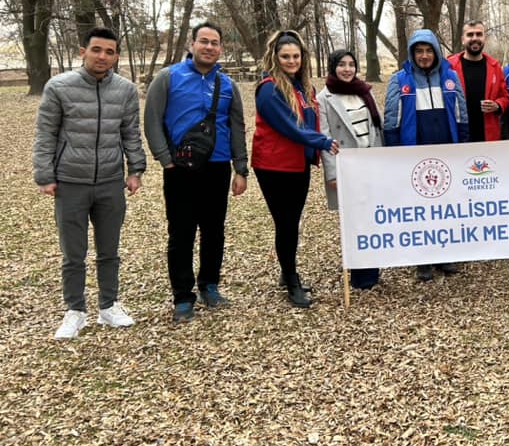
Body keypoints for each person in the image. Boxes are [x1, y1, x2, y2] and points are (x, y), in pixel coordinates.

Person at [33, 27, 146, 340]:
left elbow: (130, 133)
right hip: (71, 182)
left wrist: (135, 169)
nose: (102, 57)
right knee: (73, 253)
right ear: (83, 50)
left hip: (110, 181)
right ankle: (75, 310)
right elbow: (46, 134)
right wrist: (45, 174)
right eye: (96, 50)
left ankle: (109, 306)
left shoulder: (124, 90)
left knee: (109, 250)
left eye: (109, 52)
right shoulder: (58, 87)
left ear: (116, 56)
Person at [144, 20, 249, 323]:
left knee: (214, 229)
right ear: (192, 45)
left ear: (220, 48)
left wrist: (240, 168)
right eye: (204, 41)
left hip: (217, 166)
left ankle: (210, 284)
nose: (209, 47)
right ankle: (182, 295)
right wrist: (165, 159)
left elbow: (237, 127)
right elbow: (152, 120)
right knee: (181, 232)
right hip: (180, 167)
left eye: (214, 43)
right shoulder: (168, 78)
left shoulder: (227, 85)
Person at [252, 30, 339, 308]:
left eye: (296, 56)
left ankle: (286, 269)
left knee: (292, 221)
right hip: (274, 164)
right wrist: (324, 142)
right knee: (286, 223)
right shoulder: (269, 89)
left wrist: (317, 144)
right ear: (275, 58)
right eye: (285, 56)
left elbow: (312, 120)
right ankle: (291, 280)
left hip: (298, 162)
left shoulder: (303, 87)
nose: (291, 61)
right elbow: (291, 128)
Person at [383, 29, 469, 281]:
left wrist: (463, 145)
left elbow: (461, 113)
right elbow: (391, 119)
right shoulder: (400, 80)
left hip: (446, 148)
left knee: (446, 205)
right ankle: (423, 259)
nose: (424, 56)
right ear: (412, 53)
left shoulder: (450, 77)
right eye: (419, 51)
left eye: (428, 50)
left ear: (436, 52)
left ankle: (446, 254)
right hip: (414, 150)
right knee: (419, 207)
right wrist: (394, 152)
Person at [319, 48, 383, 290]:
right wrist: (332, 174)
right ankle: (359, 273)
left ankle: (374, 266)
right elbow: (324, 137)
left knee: (373, 215)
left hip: (371, 161)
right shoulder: (325, 98)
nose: (347, 69)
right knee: (355, 220)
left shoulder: (365, 92)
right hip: (347, 165)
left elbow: (378, 127)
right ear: (333, 67)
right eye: (342, 64)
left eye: (351, 64)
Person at [446, 20, 509, 142]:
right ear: (463, 39)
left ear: (485, 38)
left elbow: (505, 97)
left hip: (487, 135)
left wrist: (497, 105)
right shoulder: (449, 66)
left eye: (479, 34)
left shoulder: (495, 66)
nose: (475, 38)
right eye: (470, 35)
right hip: (458, 134)